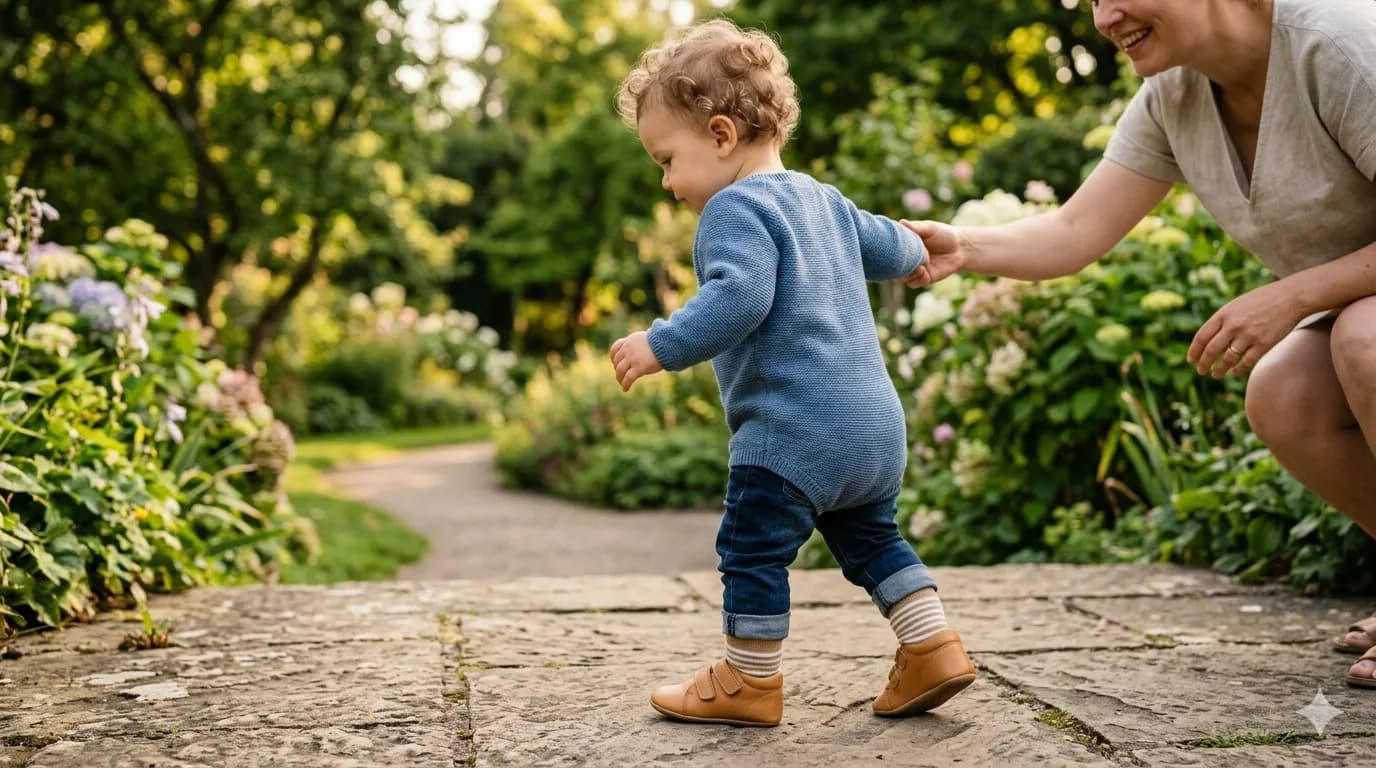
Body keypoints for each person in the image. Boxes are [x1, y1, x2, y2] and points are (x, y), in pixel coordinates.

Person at [902, 0, 1376, 688]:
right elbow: (1073, 232)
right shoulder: (1173, 96)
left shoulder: (1336, 46)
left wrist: (1294, 295)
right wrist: (962, 246)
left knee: (1363, 337)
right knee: (1284, 394)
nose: (1103, 16)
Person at [609, 19, 976, 726]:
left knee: (751, 545)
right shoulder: (826, 201)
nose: (666, 181)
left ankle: (747, 680)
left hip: (792, 431)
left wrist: (662, 343)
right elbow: (897, 246)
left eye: (666, 159)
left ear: (720, 137)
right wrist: (922, 249)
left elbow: (738, 297)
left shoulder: (732, 208)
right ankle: (932, 646)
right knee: (872, 539)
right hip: (873, 429)